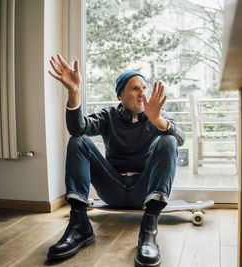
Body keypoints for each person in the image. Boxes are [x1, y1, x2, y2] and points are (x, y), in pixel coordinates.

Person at [47, 54, 185, 267]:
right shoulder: (108, 115)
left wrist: (158, 120)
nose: (142, 93)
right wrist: (74, 92)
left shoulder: (156, 114)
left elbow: (180, 139)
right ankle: (79, 225)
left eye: (144, 88)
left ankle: (148, 229)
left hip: (143, 192)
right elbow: (77, 128)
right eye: (135, 88)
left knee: (168, 140)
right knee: (78, 141)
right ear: (121, 95)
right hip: (112, 189)